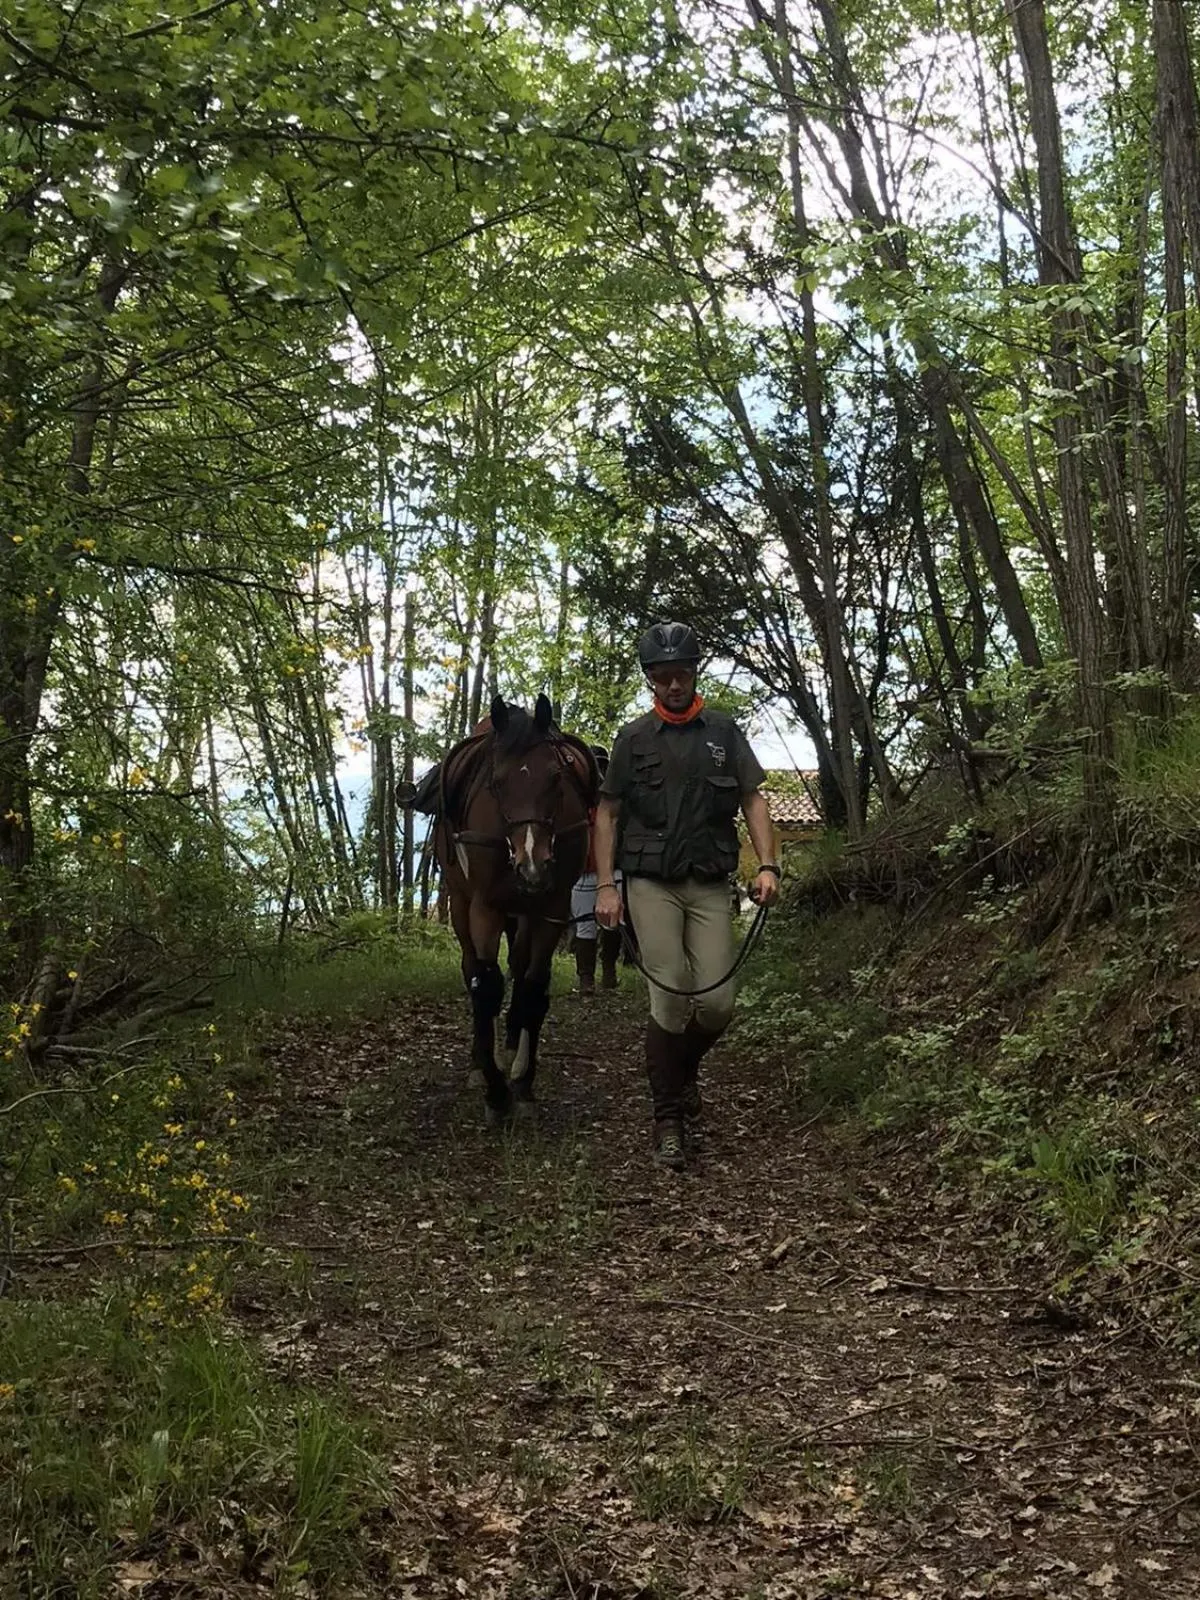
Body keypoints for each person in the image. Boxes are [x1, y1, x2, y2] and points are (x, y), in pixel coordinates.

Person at [593, 622, 780, 1170]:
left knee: (718, 1004)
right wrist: (606, 885)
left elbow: (753, 799)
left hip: (709, 881)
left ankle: (680, 1071)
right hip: (650, 881)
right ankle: (667, 1117)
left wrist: (768, 865)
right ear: (651, 680)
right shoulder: (633, 738)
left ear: (694, 673)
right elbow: (606, 814)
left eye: (683, 674)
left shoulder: (723, 732)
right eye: (663, 676)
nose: (674, 684)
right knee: (670, 995)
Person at [570, 745, 623, 994]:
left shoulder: (617, 800)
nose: (599, 771)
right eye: (596, 766)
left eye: (603, 766)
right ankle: (586, 978)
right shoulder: (572, 801)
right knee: (585, 925)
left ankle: (609, 970)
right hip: (583, 871)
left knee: (613, 921)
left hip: (614, 869)